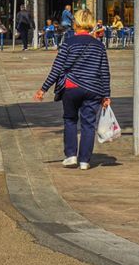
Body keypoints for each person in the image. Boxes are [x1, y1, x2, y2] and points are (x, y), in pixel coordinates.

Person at [33, 9, 112, 170]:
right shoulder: (99, 46)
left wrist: (44, 88)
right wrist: (106, 95)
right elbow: (104, 71)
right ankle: (84, 160)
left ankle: (70, 156)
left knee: (70, 120)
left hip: (72, 87)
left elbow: (57, 68)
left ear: (75, 24)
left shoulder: (68, 43)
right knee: (88, 124)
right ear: (90, 24)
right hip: (93, 88)